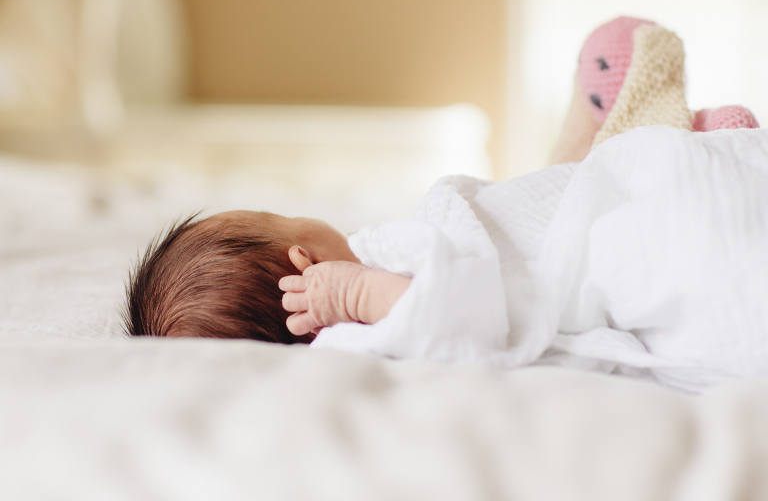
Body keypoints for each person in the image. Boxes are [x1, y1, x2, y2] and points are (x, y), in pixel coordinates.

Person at [125, 125, 768, 393]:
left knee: (645, 183)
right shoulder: (371, 310)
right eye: (275, 214)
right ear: (304, 256)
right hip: (647, 245)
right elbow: (463, 314)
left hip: (597, 225)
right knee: (687, 228)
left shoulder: (381, 282)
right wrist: (358, 296)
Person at [124, 210, 409, 342]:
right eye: (286, 218)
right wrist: (359, 292)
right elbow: (444, 303)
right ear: (308, 263)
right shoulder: (386, 303)